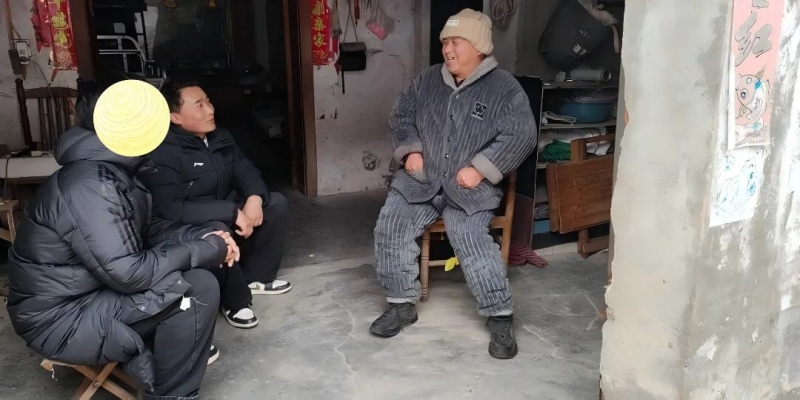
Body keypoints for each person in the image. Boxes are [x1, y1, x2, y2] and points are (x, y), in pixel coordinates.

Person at [5, 75, 240, 400]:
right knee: (198, 288)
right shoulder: (92, 184)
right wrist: (206, 249)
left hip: (88, 296)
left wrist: (205, 236)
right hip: (61, 319)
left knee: (198, 266)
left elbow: (149, 230)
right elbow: (128, 273)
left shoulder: (112, 169)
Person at [370, 9, 537, 359]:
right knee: (391, 223)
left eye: (456, 42)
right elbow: (401, 115)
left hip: (470, 189)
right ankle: (401, 305)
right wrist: (411, 151)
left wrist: (481, 169)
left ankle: (499, 316)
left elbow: (521, 134)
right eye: (445, 42)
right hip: (421, 181)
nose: (447, 49)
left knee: (469, 236)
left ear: (479, 47)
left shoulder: (504, 88)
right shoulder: (428, 80)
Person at [138, 80, 291, 330]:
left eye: (208, 101)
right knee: (218, 229)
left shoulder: (221, 137)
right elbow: (170, 209)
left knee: (275, 203)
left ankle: (257, 278)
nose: (210, 110)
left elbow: (246, 171)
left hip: (224, 206)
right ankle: (235, 301)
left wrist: (254, 198)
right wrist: (231, 212)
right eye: (199, 105)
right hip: (191, 221)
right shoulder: (164, 152)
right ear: (175, 117)